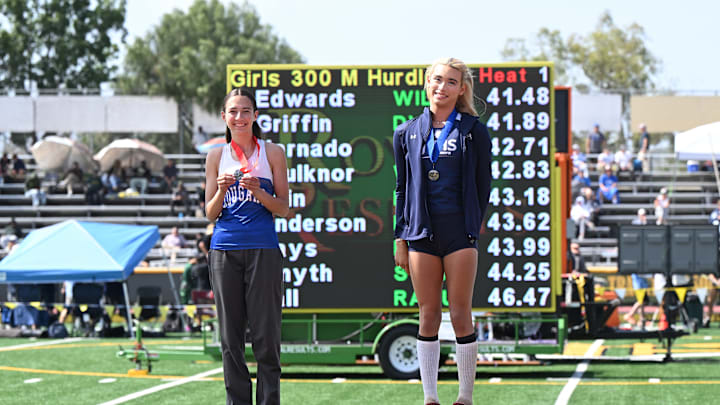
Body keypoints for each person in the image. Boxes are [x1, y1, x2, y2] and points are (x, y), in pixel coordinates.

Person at [393, 58, 491, 405]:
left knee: (461, 311)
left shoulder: (473, 130)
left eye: (451, 82)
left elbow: (484, 185)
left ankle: (465, 397)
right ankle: (430, 397)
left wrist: (470, 225)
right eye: (437, 79)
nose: (442, 87)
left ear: (461, 89)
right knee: (428, 312)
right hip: (420, 233)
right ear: (426, 82)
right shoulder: (405, 132)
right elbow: (402, 189)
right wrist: (400, 237)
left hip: (459, 233)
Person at [205, 87, 289, 405]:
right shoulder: (216, 156)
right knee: (230, 338)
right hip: (224, 250)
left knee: (266, 338)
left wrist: (258, 192)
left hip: (263, 250)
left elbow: (284, 208)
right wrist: (223, 191)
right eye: (233, 111)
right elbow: (210, 212)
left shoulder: (273, 153)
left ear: (255, 116)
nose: (239, 117)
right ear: (224, 117)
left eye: (245, 111)